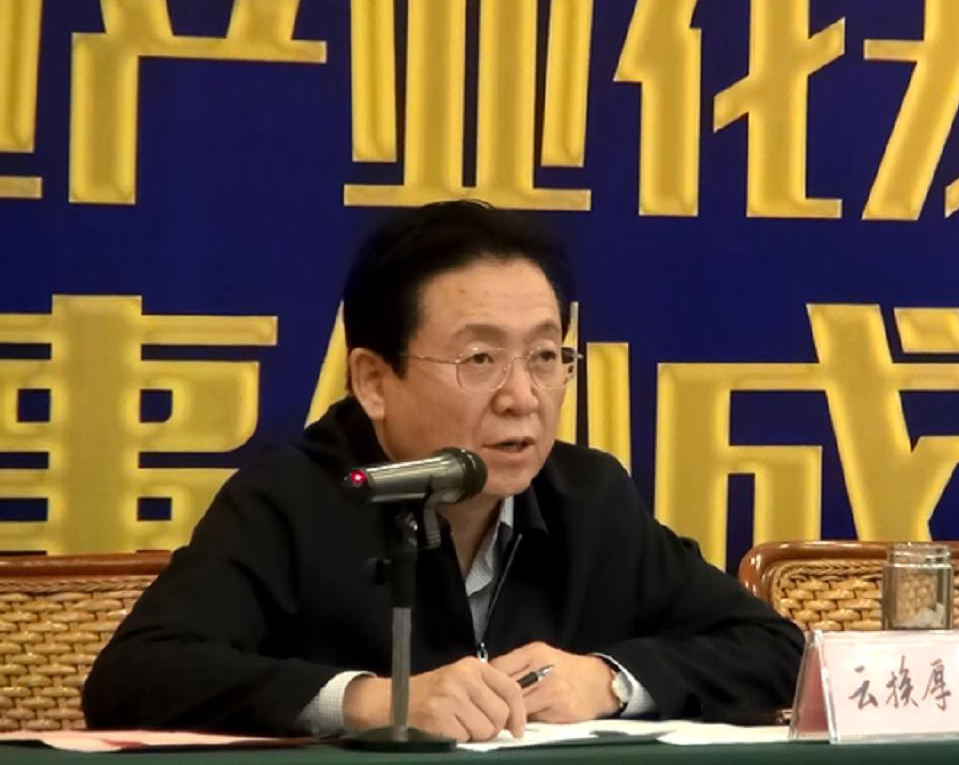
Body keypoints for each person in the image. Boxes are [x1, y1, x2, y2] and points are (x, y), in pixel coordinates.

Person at [82, 200, 804, 741]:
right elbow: (136, 676)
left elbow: (775, 651)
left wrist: (608, 681)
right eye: (480, 358)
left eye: (545, 356)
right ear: (373, 381)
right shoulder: (293, 499)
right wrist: (373, 700)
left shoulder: (589, 495)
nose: (522, 396)